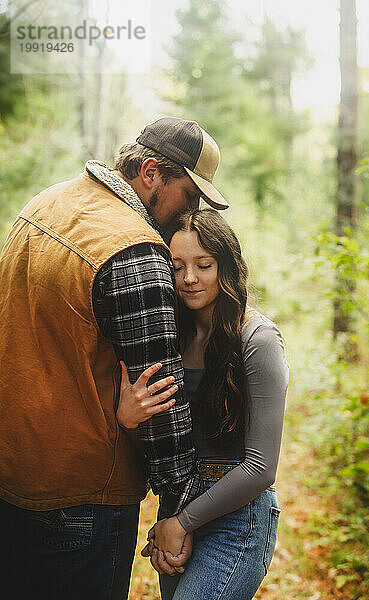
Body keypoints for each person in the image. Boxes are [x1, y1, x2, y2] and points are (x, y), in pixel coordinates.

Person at [0, 117, 229, 600]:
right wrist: (180, 510)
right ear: (150, 172)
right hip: (83, 496)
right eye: (189, 196)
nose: (189, 213)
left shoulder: (48, 202)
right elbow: (160, 399)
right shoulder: (135, 250)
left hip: (13, 474)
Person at [118, 209, 289, 600]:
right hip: (176, 503)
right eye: (176, 267)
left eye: (204, 264)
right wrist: (128, 419)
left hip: (236, 518)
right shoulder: (169, 338)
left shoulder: (258, 339)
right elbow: (159, 438)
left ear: (226, 266)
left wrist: (181, 523)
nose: (189, 278)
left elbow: (261, 468)